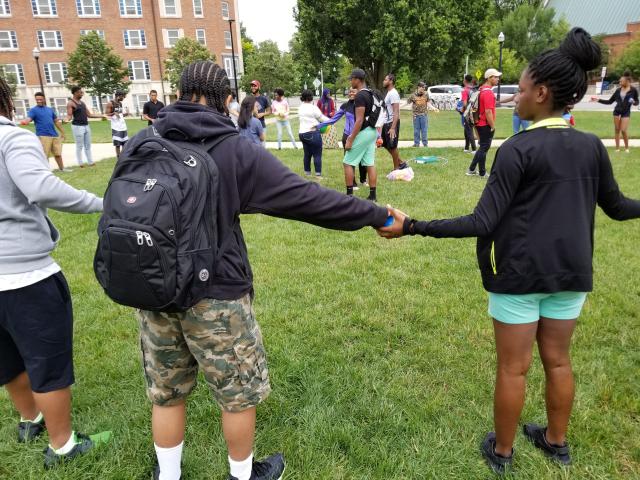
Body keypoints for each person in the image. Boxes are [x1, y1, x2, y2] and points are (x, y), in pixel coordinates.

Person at [378, 28, 640, 476]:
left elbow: (482, 222)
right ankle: (556, 443)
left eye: (518, 90)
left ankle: (502, 452)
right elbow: (617, 208)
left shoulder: (517, 149)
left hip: (518, 276)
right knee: (558, 360)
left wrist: (413, 227)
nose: (512, 98)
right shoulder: (590, 146)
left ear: (541, 93)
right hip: (571, 276)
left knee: (513, 369)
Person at [135, 61, 391, 480]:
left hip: (154, 286)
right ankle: (242, 474)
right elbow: (309, 200)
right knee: (237, 395)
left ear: (179, 92)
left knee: (166, 394)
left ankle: (168, 475)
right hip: (216, 296)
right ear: (226, 99)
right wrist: (376, 214)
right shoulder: (233, 148)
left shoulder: (145, 139)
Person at [0, 76, 111, 469]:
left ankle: (30, 420)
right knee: (47, 363)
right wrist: (102, 202)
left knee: (7, 358)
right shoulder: (11, 138)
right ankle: (63, 445)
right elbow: (40, 186)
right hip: (26, 277)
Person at [317, 88, 368, 188]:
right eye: (350, 91)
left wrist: (378, 136)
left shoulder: (363, 105)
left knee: (363, 159)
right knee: (350, 160)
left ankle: (363, 180)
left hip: (361, 136)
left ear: (359, 93)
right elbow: (333, 119)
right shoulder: (345, 106)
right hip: (347, 137)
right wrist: (319, 126)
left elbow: (369, 121)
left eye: (353, 91)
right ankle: (353, 183)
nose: (351, 93)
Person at [343, 68, 379, 201]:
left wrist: (350, 139)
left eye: (352, 78)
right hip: (372, 131)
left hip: (364, 132)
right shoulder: (370, 93)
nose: (351, 81)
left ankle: (349, 196)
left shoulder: (360, 96)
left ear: (357, 79)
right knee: (369, 163)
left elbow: (359, 120)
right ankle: (373, 196)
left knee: (347, 162)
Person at [19, 92, 70, 172]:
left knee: (58, 153)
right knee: (44, 155)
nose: (39, 101)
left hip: (54, 135)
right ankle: (46, 171)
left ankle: (62, 169)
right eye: (37, 100)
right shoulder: (33, 110)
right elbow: (29, 118)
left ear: (44, 99)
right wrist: (25, 121)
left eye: (40, 99)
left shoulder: (50, 109)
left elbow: (56, 121)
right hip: (43, 136)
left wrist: (63, 132)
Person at [591, 71, 639, 152]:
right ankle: (617, 148)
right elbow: (609, 102)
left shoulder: (633, 90)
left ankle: (627, 148)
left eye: (621, 81)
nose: (620, 82)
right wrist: (597, 100)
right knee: (617, 129)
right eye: (619, 81)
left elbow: (637, 102)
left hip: (626, 112)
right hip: (617, 112)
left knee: (623, 130)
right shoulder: (618, 90)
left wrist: (634, 102)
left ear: (627, 81)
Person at [466, 69, 501, 178]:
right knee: (484, 148)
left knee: (482, 148)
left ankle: (477, 171)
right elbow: (488, 111)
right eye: (495, 77)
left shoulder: (482, 89)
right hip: (485, 124)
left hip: (479, 123)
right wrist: (493, 126)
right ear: (489, 78)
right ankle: (476, 171)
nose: (498, 79)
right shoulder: (488, 93)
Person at [66, 86, 104, 168]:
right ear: (75, 93)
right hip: (77, 127)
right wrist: (66, 120)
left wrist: (101, 116)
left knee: (88, 145)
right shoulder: (71, 103)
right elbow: (69, 116)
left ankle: (90, 162)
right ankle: (80, 163)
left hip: (86, 126)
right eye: (80, 92)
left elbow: (89, 115)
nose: (82, 94)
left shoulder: (82, 103)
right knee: (79, 146)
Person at [298, 89, 329, 178]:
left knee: (307, 154)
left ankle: (307, 173)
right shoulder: (313, 108)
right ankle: (318, 175)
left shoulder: (300, 107)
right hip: (312, 133)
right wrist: (331, 120)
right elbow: (322, 119)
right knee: (317, 154)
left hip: (302, 134)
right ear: (311, 97)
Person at [381, 73, 408, 171]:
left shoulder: (393, 93)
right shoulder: (389, 92)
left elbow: (396, 111)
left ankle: (397, 168)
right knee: (385, 144)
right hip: (387, 122)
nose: (383, 81)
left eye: (385, 79)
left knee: (392, 146)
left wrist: (393, 127)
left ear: (391, 81)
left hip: (392, 123)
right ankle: (401, 162)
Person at [105, 90, 129, 159]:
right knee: (117, 144)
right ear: (118, 96)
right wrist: (113, 113)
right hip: (116, 127)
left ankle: (124, 157)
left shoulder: (120, 103)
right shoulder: (110, 103)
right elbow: (106, 114)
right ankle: (119, 158)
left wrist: (126, 114)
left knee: (125, 143)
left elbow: (120, 115)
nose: (123, 98)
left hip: (123, 126)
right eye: (123, 97)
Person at [406, 81, 431, 147]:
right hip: (416, 116)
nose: (424, 89)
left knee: (424, 130)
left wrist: (433, 108)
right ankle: (416, 144)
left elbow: (428, 103)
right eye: (423, 87)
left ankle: (425, 144)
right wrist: (398, 107)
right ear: (419, 87)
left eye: (424, 87)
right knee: (416, 131)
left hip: (424, 115)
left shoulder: (426, 94)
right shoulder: (413, 95)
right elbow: (407, 102)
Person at [461, 75, 477, 153]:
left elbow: (464, 104)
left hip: (467, 113)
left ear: (465, 81)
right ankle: (466, 147)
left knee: (469, 130)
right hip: (473, 112)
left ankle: (474, 149)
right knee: (466, 130)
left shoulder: (465, 90)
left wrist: (462, 110)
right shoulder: (473, 89)